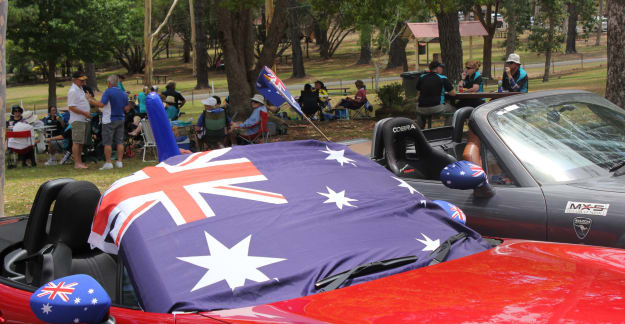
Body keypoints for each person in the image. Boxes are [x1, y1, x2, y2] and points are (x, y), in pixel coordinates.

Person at [87, 74, 129, 170]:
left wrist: (90, 99)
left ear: (109, 83)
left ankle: (108, 162)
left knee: (107, 142)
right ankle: (119, 162)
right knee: (120, 142)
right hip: (120, 119)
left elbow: (101, 104)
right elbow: (126, 108)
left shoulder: (108, 92)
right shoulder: (123, 93)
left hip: (109, 119)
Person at [415, 61, 456, 128]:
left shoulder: (421, 77)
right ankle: (447, 130)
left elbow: (419, 93)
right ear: (437, 68)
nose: (442, 69)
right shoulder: (443, 78)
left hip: (421, 108)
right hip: (437, 108)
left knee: (421, 110)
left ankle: (420, 131)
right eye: (441, 67)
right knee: (453, 110)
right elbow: (453, 93)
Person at [67, 71, 91, 169]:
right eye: (81, 80)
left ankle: (80, 162)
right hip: (77, 119)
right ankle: (77, 163)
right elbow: (71, 107)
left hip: (83, 119)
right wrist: (84, 113)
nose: (83, 82)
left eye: (84, 80)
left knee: (80, 142)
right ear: (75, 80)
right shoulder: (73, 91)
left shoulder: (80, 89)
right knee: (76, 142)